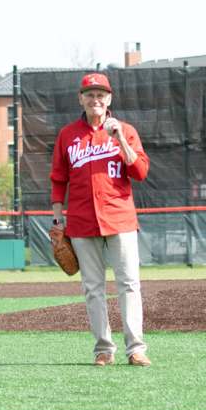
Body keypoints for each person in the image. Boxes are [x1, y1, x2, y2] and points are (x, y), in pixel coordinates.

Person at [50, 72, 151, 367]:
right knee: (93, 287)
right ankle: (103, 349)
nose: (96, 99)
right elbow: (58, 178)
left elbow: (141, 172)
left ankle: (136, 348)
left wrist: (118, 137)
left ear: (109, 100)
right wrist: (58, 220)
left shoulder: (126, 131)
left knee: (129, 284)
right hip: (81, 222)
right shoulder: (68, 135)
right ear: (81, 99)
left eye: (101, 95)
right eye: (90, 94)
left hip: (119, 218)